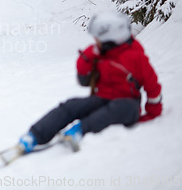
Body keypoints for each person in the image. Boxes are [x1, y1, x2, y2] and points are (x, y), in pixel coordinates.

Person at [17, 11, 162, 153]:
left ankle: (80, 130)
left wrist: (152, 113)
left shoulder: (136, 58)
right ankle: (34, 136)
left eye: (98, 38)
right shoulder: (99, 53)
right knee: (71, 105)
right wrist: (88, 56)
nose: (95, 41)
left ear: (111, 38)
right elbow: (83, 80)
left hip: (127, 105)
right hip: (101, 98)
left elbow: (152, 86)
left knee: (119, 108)